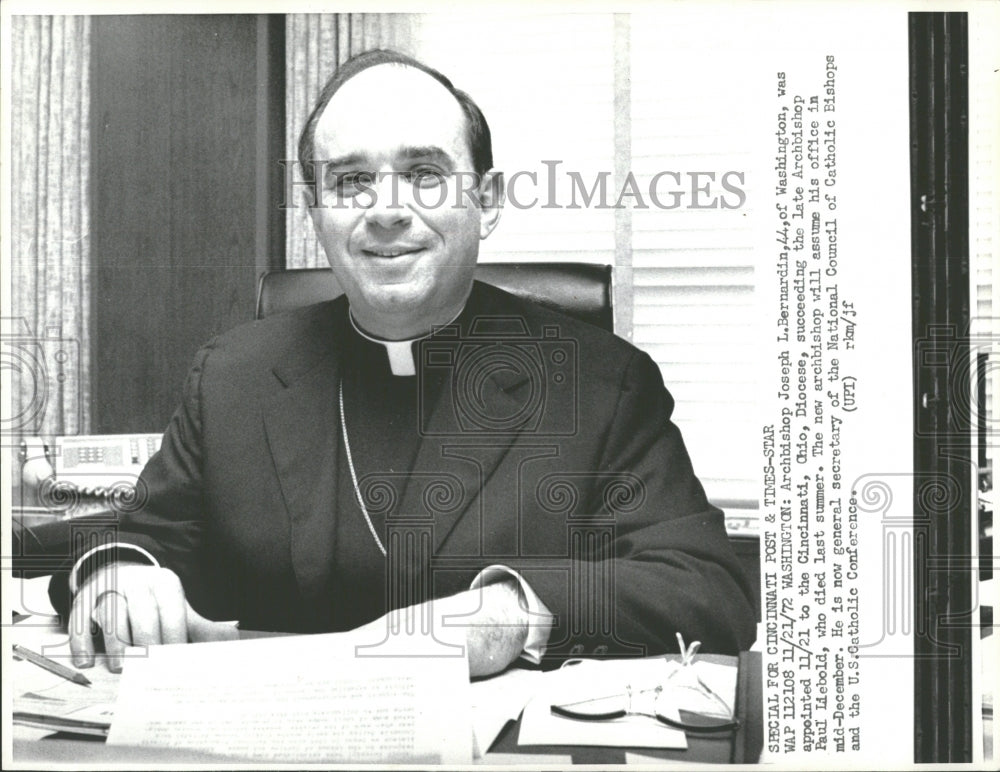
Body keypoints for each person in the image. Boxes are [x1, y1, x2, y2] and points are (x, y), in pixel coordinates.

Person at [54, 50, 755, 677]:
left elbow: (707, 589)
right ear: (315, 211)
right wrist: (117, 570)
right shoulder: (234, 373)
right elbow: (136, 538)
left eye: (424, 174)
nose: (385, 210)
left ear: (486, 201)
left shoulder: (601, 382)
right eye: (352, 180)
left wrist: (512, 614)